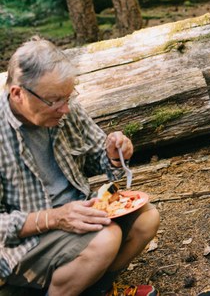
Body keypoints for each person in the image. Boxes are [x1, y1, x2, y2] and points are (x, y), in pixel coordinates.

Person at [0, 37, 160, 295]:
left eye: (68, 96)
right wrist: (54, 218)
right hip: (25, 242)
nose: (65, 108)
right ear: (18, 94)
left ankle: (97, 289)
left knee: (146, 219)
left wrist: (114, 154)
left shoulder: (65, 109)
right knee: (106, 239)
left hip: (79, 213)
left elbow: (99, 154)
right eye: (54, 100)